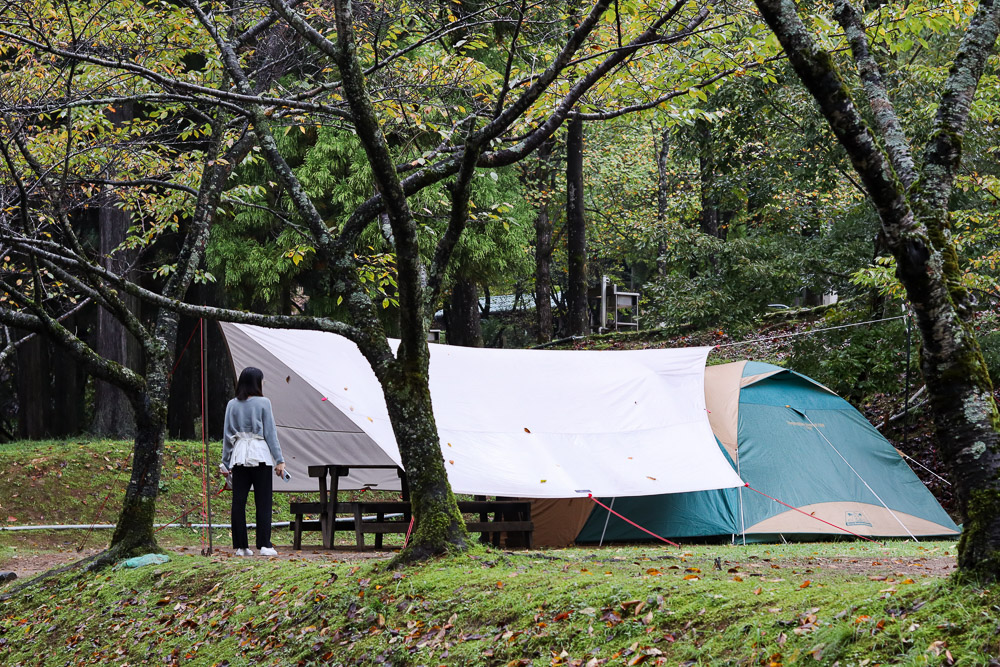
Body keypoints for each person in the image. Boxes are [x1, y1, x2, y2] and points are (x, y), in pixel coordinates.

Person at [221, 367, 286, 557]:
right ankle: (264, 544)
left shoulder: (232, 404)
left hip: (239, 455)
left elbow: (227, 435)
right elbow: (270, 433)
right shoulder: (264, 403)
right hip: (260, 454)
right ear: (256, 382)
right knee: (263, 501)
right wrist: (279, 460)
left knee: (238, 502)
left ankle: (241, 547)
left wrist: (225, 463)